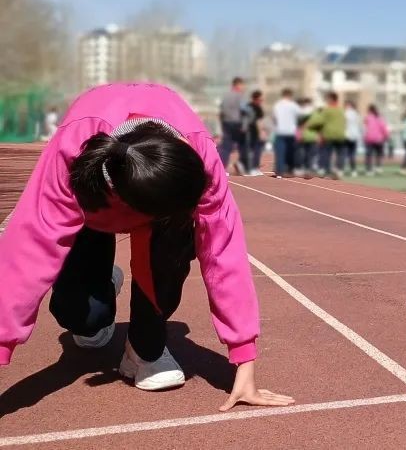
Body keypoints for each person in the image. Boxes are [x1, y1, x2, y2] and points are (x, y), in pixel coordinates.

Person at [0, 83, 293, 410]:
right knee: (82, 319)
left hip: (163, 210)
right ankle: (105, 288)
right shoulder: (72, 151)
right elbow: (27, 253)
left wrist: (243, 359)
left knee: (174, 245)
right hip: (91, 206)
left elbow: (224, 253)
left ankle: (142, 350)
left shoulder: (199, 161)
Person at [218, 77, 248, 175]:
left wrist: (222, 123)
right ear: (238, 85)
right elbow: (244, 111)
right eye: (242, 85)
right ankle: (242, 165)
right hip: (237, 123)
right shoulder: (240, 96)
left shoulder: (225, 96)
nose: (243, 87)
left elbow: (221, 111)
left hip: (226, 122)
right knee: (244, 145)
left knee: (226, 146)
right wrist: (244, 125)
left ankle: (222, 168)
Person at [272, 89, 301, 178]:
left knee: (280, 153)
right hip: (291, 132)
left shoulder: (277, 105)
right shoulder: (293, 105)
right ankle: (290, 170)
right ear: (290, 96)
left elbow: (274, 118)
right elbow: (300, 115)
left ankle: (279, 172)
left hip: (280, 131)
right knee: (291, 152)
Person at [244, 90, 266, 176]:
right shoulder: (257, 108)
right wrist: (261, 132)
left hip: (247, 131)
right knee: (256, 151)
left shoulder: (247, 106)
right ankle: (252, 169)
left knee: (249, 151)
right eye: (261, 99)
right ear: (256, 99)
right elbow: (258, 121)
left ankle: (249, 168)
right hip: (253, 132)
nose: (261, 101)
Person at [363, 104, 390, 175]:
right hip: (379, 139)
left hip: (369, 139)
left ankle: (369, 170)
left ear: (369, 110)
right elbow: (384, 128)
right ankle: (378, 167)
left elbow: (365, 127)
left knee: (369, 155)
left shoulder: (367, 117)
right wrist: (387, 136)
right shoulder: (380, 118)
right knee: (379, 154)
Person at [344, 101, 362, 177]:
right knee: (352, 154)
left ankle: (341, 169)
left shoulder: (345, 113)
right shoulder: (356, 114)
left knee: (344, 154)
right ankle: (353, 170)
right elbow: (359, 125)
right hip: (354, 136)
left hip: (346, 135)